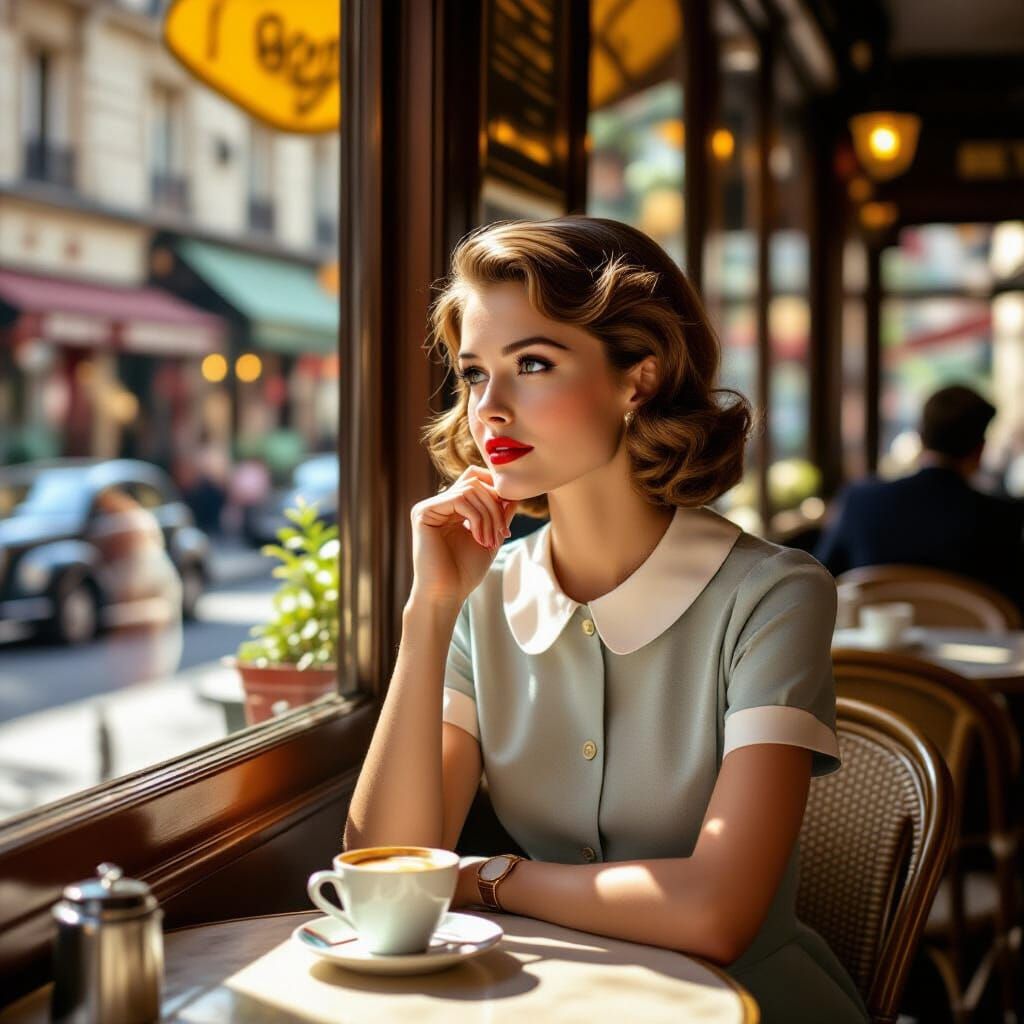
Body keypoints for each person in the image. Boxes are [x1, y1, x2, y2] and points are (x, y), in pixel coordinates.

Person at [343, 216, 868, 1023]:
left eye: (533, 364)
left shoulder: (774, 594)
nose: (490, 407)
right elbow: (381, 879)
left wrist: (485, 880)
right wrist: (430, 609)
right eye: (474, 372)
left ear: (639, 379)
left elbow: (715, 913)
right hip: (542, 1004)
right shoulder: (482, 596)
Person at [815, 384, 1024, 611]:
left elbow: (820, 578)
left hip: (872, 646)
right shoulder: (1003, 517)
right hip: (975, 645)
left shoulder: (860, 500)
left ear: (920, 436)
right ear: (980, 450)